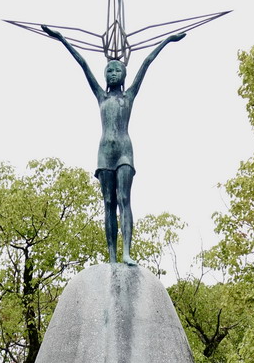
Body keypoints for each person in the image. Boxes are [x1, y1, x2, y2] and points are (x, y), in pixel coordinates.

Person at [41, 25, 186, 265]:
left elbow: (147, 62)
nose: (113, 73)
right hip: (105, 153)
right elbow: (83, 64)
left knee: (124, 199)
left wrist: (168, 40)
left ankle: (126, 252)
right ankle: (111, 256)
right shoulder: (102, 96)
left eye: (118, 70)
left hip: (124, 151)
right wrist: (62, 39)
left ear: (124, 75)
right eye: (109, 70)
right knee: (108, 203)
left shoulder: (129, 96)